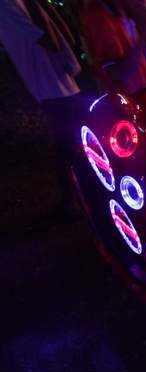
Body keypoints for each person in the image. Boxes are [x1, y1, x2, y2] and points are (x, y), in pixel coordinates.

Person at [0, 0, 82, 215]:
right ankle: (71, 201)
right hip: (49, 85)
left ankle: (73, 198)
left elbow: (66, 39)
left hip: (60, 80)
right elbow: (50, 41)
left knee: (70, 144)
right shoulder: (6, 5)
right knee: (69, 144)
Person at [79, 0, 146, 93]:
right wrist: (144, 38)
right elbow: (119, 75)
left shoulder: (125, 14)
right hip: (127, 99)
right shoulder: (98, 15)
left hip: (144, 95)